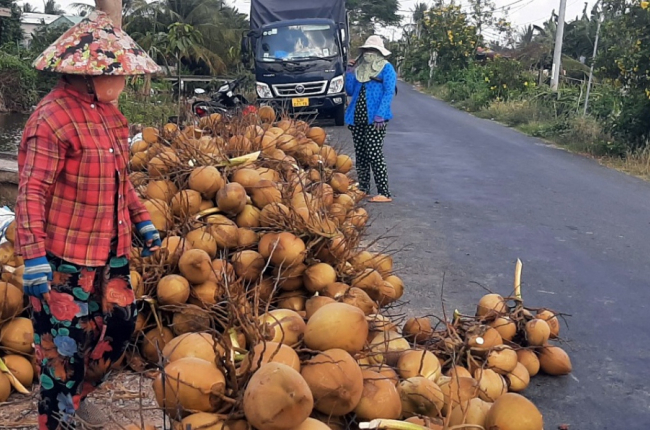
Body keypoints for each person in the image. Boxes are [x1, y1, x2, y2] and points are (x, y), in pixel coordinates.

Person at [13, 11, 162, 430]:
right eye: (115, 72)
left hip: (111, 250)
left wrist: (142, 220)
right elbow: (32, 191)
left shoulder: (112, 117)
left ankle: (77, 396)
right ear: (85, 73)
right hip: (63, 258)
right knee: (63, 347)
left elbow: (122, 181)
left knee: (120, 324)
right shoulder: (51, 119)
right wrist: (33, 255)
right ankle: (59, 417)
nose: (121, 80)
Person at [345, 35, 397, 203]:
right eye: (367, 50)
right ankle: (363, 188)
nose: (369, 53)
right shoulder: (360, 69)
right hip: (357, 117)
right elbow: (350, 91)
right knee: (361, 154)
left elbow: (389, 92)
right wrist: (349, 72)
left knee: (374, 153)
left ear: (379, 52)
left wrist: (380, 113)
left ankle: (384, 192)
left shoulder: (386, 68)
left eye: (372, 50)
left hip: (376, 120)